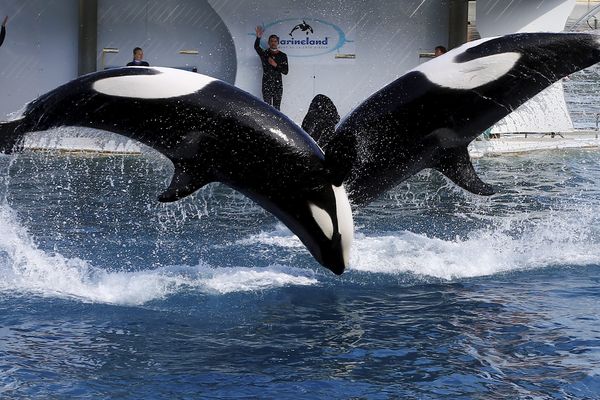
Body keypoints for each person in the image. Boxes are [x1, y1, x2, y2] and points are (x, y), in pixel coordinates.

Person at [254, 26, 288, 110]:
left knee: (277, 108)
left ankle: (277, 123)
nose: (273, 43)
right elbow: (257, 47)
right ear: (268, 43)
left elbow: (285, 71)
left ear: (278, 42)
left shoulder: (283, 55)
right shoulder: (265, 54)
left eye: (275, 41)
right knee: (267, 108)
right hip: (267, 83)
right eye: (271, 41)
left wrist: (275, 65)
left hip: (277, 84)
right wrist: (258, 38)